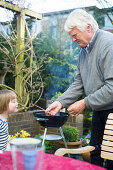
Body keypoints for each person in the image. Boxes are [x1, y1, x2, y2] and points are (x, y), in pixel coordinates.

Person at [45, 9, 113, 169]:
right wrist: (60, 102)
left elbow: (112, 87)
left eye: (75, 35)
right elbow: (78, 83)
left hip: (112, 112)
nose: (73, 39)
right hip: (99, 110)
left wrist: (84, 103)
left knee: (111, 160)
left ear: (88, 28)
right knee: (95, 154)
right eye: (71, 36)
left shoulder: (109, 44)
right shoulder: (84, 51)